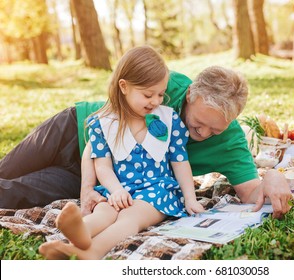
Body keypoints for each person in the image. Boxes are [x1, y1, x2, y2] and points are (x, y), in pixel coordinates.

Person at [0, 47, 291, 219]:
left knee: (15, 194)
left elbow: (252, 191)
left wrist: (273, 178)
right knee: (7, 168)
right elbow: (122, 86)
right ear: (189, 95)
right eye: (196, 124)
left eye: (215, 129)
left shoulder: (231, 142)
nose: (202, 134)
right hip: (73, 128)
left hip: (96, 173)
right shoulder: (166, 87)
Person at [38, 46, 204, 260]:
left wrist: (190, 198)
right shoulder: (104, 122)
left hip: (156, 192)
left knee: (129, 217)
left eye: (161, 94)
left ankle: (93, 251)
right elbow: (102, 165)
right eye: (148, 94)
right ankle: (79, 233)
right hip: (119, 189)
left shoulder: (168, 119)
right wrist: (115, 190)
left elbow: (180, 162)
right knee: (105, 212)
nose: (156, 101)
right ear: (124, 87)